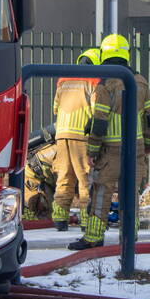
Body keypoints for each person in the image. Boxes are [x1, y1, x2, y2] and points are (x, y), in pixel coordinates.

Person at [69, 34, 150, 250]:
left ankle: (93, 237)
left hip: (110, 151)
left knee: (101, 192)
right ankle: (129, 237)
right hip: (135, 148)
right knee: (131, 193)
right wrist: (147, 145)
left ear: (104, 53)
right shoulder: (141, 81)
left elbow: (100, 120)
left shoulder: (106, 83)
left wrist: (92, 150)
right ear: (126, 53)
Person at [50, 48, 102, 231]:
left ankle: (59, 218)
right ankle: (87, 221)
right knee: (86, 179)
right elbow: (98, 111)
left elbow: (55, 108)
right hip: (82, 136)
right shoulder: (94, 80)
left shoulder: (63, 80)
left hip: (62, 134)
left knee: (64, 177)